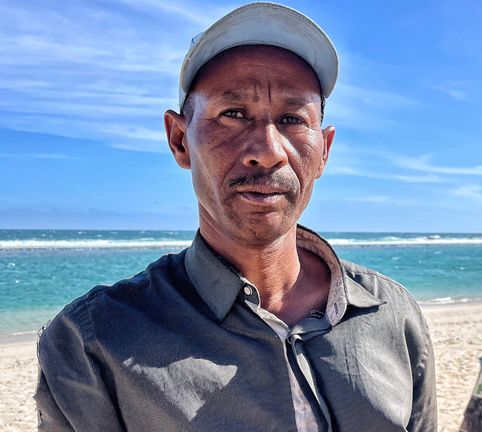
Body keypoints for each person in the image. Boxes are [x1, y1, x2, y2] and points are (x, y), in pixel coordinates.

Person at [34, 3, 437, 431]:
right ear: (179, 140)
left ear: (324, 150)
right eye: (233, 114)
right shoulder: (93, 343)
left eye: (292, 119)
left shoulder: (393, 316)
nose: (267, 150)